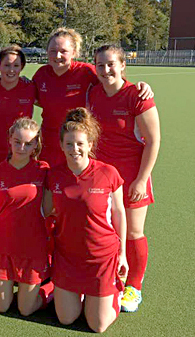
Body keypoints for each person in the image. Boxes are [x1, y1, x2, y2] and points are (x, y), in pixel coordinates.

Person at [88, 45, 160, 313]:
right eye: (100, 65)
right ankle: (111, 278)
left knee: (132, 232)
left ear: (122, 66)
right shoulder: (93, 92)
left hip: (132, 174)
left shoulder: (137, 95)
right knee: (107, 229)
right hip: (102, 176)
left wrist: (142, 180)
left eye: (111, 64)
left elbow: (153, 141)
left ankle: (134, 287)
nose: (106, 70)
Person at [43, 108, 128, 333]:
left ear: (90, 144)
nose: (74, 149)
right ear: (61, 145)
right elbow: (46, 210)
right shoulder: (54, 175)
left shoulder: (108, 173)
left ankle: (115, 292)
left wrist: (123, 254)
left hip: (101, 257)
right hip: (68, 257)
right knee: (66, 319)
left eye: (80, 143)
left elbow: (119, 213)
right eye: (69, 144)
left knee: (97, 325)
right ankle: (70, 291)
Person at [32, 27, 153, 167]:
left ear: (74, 52)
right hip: (49, 143)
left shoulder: (86, 72)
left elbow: (113, 82)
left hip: (78, 145)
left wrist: (138, 86)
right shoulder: (41, 74)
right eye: (52, 51)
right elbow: (34, 99)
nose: (57, 55)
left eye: (63, 51)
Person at [0, 117, 53, 315]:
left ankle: (52, 287)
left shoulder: (43, 170)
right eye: (17, 141)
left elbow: (48, 210)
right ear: (9, 140)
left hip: (32, 247)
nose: (22, 147)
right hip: (4, 246)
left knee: (25, 310)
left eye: (28, 143)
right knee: (2, 306)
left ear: (36, 145)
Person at [0, 45, 36, 167]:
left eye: (16, 66)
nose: (11, 70)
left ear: (22, 67)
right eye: (7, 65)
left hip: (22, 153)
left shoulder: (31, 88)